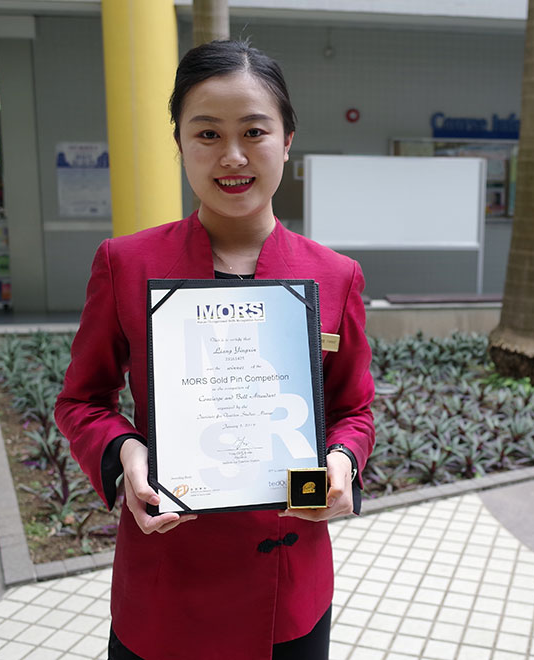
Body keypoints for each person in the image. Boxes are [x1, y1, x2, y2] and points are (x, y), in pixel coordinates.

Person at [55, 40, 374, 660]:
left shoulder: (335, 275)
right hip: (166, 578)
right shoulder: (127, 263)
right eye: (207, 134)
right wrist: (124, 452)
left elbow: (353, 411)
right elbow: (82, 401)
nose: (233, 156)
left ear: (287, 140)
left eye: (254, 131)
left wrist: (342, 462)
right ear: (179, 143)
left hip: (288, 590)